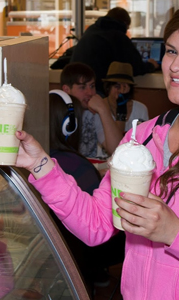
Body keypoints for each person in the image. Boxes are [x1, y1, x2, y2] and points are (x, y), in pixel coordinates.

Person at [0, 1, 179, 299]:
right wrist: (40, 164)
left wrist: (175, 232)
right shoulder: (142, 138)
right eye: (172, 50)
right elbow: (96, 225)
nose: (175, 65)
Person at [48, 90, 125, 294]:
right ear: (69, 126)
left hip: (59, 251)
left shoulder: (44, 162)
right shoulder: (77, 164)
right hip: (91, 251)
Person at [70, 7, 159, 95]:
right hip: (99, 88)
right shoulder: (118, 36)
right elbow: (134, 67)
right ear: (125, 24)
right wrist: (151, 65)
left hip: (77, 86)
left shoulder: (91, 30)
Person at [61, 62, 123, 158]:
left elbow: (118, 150)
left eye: (92, 86)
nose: (90, 93)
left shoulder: (95, 111)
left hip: (88, 169)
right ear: (66, 90)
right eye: (82, 87)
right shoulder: (56, 111)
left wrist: (103, 110)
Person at [96, 61, 149, 158]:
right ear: (108, 87)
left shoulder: (141, 109)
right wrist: (121, 110)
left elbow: (143, 143)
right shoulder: (99, 107)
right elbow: (116, 147)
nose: (121, 90)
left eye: (125, 86)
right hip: (104, 160)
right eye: (117, 86)